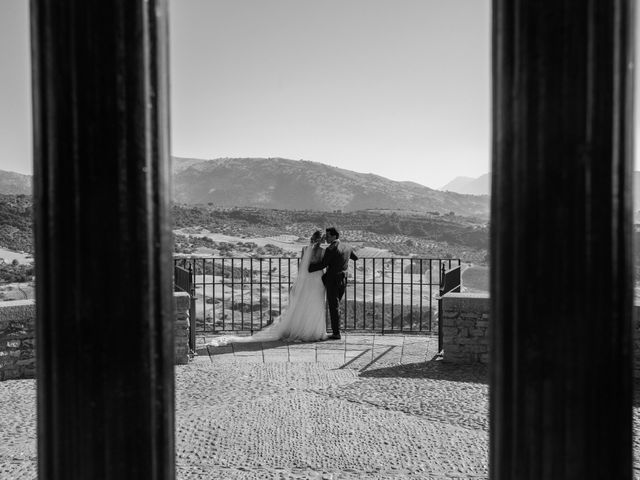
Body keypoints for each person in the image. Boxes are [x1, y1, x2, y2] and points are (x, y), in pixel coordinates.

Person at [208, 230, 328, 346]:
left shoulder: (305, 249)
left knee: (303, 304)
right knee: (315, 303)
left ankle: (301, 329)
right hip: (317, 279)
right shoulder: (322, 251)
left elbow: (302, 265)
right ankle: (314, 331)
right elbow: (323, 264)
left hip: (305, 279)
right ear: (321, 240)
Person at [308, 227, 358, 340]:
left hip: (332, 280)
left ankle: (336, 333)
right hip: (343, 279)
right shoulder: (347, 247)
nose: (327, 238)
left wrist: (308, 268)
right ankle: (336, 331)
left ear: (335, 236)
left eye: (329, 236)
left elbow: (323, 265)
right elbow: (355, 258)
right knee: (336, 305)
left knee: (333, 306)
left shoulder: (331, 249)